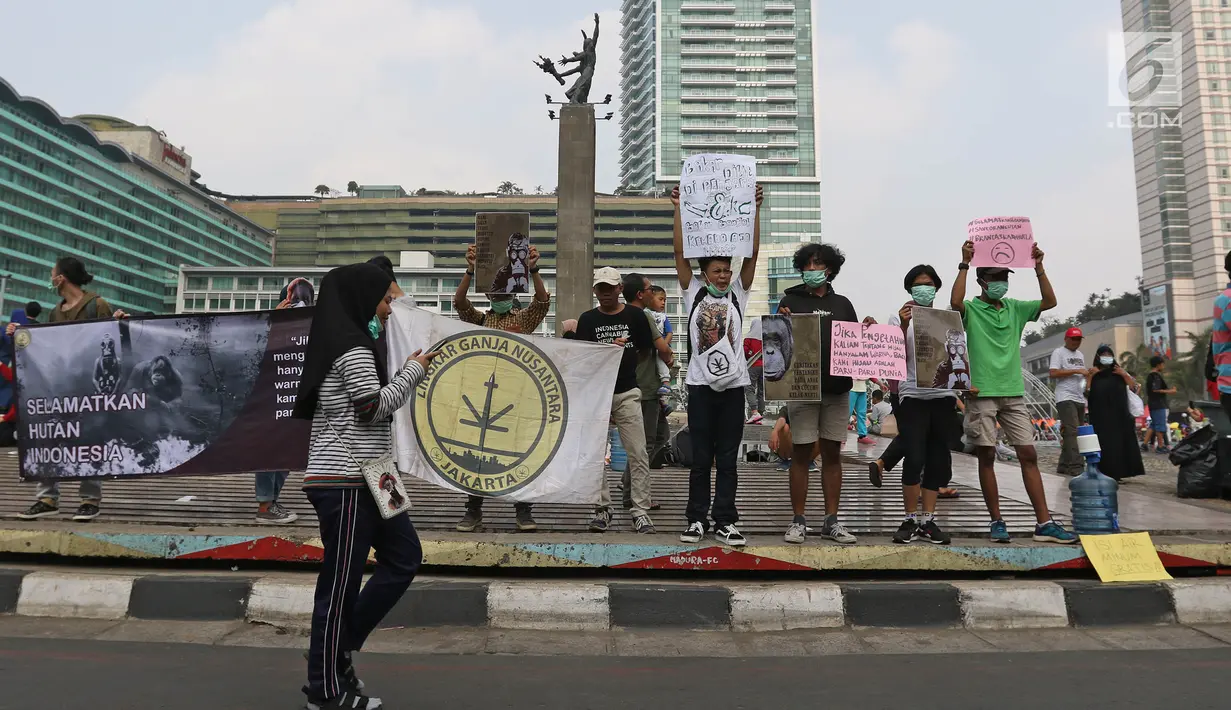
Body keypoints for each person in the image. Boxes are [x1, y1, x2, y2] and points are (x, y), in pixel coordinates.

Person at [293, 262, 437, 710]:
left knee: (405, 556)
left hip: (376, 475)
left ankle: (333, 651)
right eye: (384, 300)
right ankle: (326, 691)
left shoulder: (352, 341)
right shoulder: (352, 348)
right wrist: (414, 371)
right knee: (339, 585)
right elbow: (371, 408)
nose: (389, 311)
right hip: (347, 482)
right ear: (363, 299)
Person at [950, 241, 1077, 544]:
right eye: (994, 278)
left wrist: (1039, 267)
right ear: (982, 281)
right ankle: (997, 520)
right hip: (982, 393)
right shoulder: (971, 309)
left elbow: (1049, 301)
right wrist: (964, 264)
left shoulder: (1016, 308)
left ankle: (1044, 522)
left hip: (1013, 392)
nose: (1000, 284)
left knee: (1028, 453)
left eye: (1004, 278)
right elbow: (955, 302)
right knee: (987, 455)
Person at [670, 183, 763, 547]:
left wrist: (755, 209)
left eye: (727, 270)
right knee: (700, 458)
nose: (724, 276)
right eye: (717, 271)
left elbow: (752, 253)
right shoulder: (693, 292)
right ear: (705, 273)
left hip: (734, 388)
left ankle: (725, 519)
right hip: (700, 387)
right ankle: (696, 519)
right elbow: (679, 251)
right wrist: (677, 208)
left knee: (727, 459)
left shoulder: (739, 293)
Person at [452, 242, 551, 532]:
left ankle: (523, 510)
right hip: (483, 396)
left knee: (521, 453)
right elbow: (459, 303)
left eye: (504, 291)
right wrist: (469, 271)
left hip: (517, 397)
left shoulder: (522, 319)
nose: (499, 296)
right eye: (494, 292)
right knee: (477, 455)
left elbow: (542, 302)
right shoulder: (480, 319)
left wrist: (533, 269)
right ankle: (473, 510)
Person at [18, 257, 120, 523]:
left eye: (52, 274)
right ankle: (47, 497)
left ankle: (89, 499)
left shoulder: (97, 305)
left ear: (61, 278)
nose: (51, 278)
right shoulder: (56, 311)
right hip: (61, 389)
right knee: (50, 436)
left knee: (90, 442)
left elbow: (112, 345)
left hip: (91, 388)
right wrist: (20, 335)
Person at [777, 242, 863, 545]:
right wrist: (781, 318)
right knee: (801, 453)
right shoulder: (789, 300)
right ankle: (798, 520)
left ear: (831, 269)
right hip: (802, 388)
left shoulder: (843, 303)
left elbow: (857, 346)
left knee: (831, 454)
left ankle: (832, 520)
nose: (813, 270)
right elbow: (778, 344)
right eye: (808, 265)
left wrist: (868, 331)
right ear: (801, 268)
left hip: (838, 389)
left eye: (819, 264)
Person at [575, 267, 658, 534]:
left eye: (611, 287)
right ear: (595, 291)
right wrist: (607, 351)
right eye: (601, 288)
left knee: (639, 452)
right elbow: (582, 357)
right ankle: (601, 508)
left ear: (620, 289)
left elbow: (645, 350)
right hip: (597, 394)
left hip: (627, 391)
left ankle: (640, 510)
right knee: (596, 455)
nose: (606, 293)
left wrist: (625, 362)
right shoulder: (587, 319)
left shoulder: (636, 316)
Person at [887, 264, 959, 545]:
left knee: (938, 459)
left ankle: (928, 519)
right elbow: (893, 356)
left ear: (936, 288)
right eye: (918, 284)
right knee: (914, 457)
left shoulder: (947, 319)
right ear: (909, 289)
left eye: (929, 283)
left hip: (943, 395)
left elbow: (957, 354)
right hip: (913, 395)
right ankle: (909, 518)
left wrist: (964, 382)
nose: (924, 288)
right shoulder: (898, 317)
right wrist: (904, 326)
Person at [253, 277, 315, 525]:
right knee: (270, 451)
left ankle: (271, 500)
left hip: (295, 399)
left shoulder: (311, 326)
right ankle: (265, 505)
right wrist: (273, 322)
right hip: (271, 399)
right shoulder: (269, 326)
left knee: (286, 453)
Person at [622, 273, 673, 501]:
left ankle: (629, 487)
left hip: (641, 384)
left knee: (660, 436)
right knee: (647, 442)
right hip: (647, 386)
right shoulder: (645, 317)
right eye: (650, 289)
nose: (653, 292)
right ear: (640, 294)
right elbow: (662, 347)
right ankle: (631, 491)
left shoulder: (624, 315)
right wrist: (669, 356)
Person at [1087, 344, 1146, 481]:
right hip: (1100, 416)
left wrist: (1124, 375)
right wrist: (1090, 378)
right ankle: (1104, 472)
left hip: (1120, 415)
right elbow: (1085, 394)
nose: (1106, 358)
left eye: (1109, 355)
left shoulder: (1119, 372)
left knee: (1120, 443)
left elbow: (1134, 388)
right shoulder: (1093, 374)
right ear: (1098, 357)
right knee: (1104, 443)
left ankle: (1120, 473)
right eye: (1104, 355)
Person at [1049, 327, 1088, 475]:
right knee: (1073, 432)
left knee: (1070, 432)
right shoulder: (1059, 352)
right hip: (1065, 397)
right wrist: (1076, 370)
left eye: (1078, 339)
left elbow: (1082, 374)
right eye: (1073, 339)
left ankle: (1064, 464)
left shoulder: (1080, 355)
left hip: (1078, 397)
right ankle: (1076, 466)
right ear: (1066, 339)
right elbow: (1053, 373)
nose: (1076, 342)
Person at [1144, 356, 1177, 453]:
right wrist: (1170, 391)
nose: (1163, 366)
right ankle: (1160, 446)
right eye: (1162, 364)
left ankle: (1145, 444)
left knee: (1154, 425)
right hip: (1158, 403)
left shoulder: (1151, 376)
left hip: (1153, 403)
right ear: (1158, 365)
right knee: (1160, 426)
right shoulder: (1155, 376)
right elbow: (1156, 390)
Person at [744, 320, 765, 424]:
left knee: (749, 389)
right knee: (761, 391)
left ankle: (755, 413)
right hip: (764, 367)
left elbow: (745, 352)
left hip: (753, 366)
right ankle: (760, 414)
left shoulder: (749, 337)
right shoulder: (765, 338)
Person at [849, 379, 873, 445]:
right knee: (847, 412)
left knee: (862, 413)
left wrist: (880, 383)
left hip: (862, 389)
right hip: (851, 388)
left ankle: (862, 436)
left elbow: (870, 372)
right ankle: (840, 435)